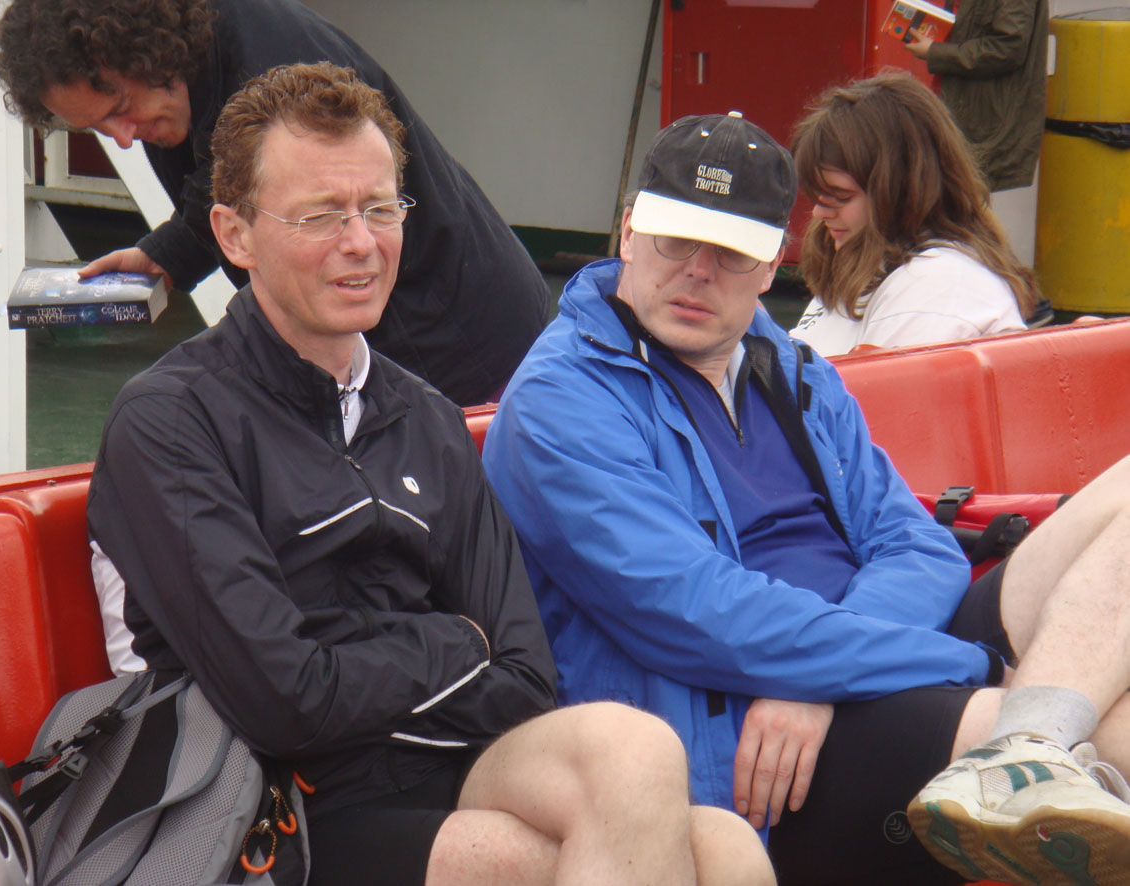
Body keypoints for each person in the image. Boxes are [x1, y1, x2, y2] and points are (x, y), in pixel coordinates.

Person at [84, 62, 774, 886]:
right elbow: (284, 703)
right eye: (321, 215)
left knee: (690, 807)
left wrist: (378, 665)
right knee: (556, 862)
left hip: (445, 763)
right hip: (277, 804)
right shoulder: (171, 421)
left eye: (380, 209)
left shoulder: (425, 418)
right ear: (234, 236)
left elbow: (524, 676)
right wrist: (451, 642)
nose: (360, 243)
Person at [482, 109, 1130, 885]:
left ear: (771, 267)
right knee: (1106, 736)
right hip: (743, 730)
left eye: (730, 252)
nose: (697, 270)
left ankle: (1034, 734)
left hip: (822, 674)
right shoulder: (561, 402)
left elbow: (917, 545)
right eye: (675, 239)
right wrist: (963, 666)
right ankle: (1030, 734)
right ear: (628, 232)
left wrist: (821, 677)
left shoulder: (792, 371)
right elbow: (700, 614)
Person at [0, 0, 547, 406]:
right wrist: (162, 256)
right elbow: (227, 193)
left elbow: (299, 204)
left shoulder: (276, 61)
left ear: (144, 51)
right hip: (379, 346)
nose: (125, 138)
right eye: (100, 129)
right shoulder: (176, 81)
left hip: (461, 337)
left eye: (120, 110)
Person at [788, 73, 1040, 357]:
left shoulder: (937, 283)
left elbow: (869, 384)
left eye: (840, 196)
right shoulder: (873, 264)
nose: (819, 212)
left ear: (901, 192)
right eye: (817, 196)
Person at [905, 0, 1048, 194]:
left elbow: (1007, 48)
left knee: (965, 200)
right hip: (964, 107)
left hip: (985, 118)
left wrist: (936, 53)